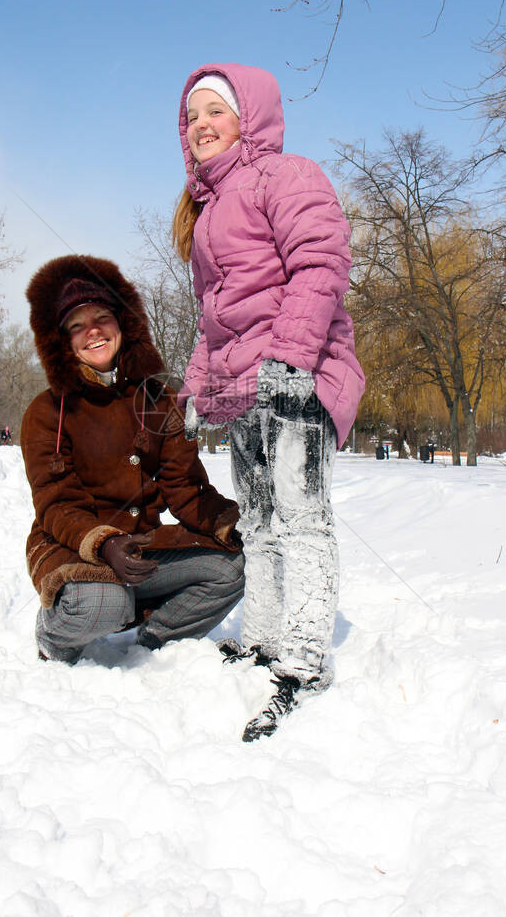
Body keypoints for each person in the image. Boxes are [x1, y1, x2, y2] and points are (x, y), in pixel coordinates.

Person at [173, 64, 365, 740]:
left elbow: (321, 262)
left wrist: (290, 358)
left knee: (299, 515)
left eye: (214, 112)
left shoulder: (287, 175)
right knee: (258, 519)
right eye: (191, 115)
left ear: (247, 118)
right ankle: (262, 638)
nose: (201, 125)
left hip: (299, 377)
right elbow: (213, 315)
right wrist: (199, 390)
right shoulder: (205, 213)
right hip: (244, 390)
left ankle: (304, 660)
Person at [20, 254, 245, 666]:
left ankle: (152, 645)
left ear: (122, 324)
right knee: (104, 601)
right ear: (63, 341)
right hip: (74, 547)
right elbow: (56, 503)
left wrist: (226, 521)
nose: (92, 331)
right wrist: (105, 544)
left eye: (102, 317)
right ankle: (55, 638)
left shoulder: (157, 400)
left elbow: (184, 487)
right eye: (76, 325)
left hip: (141, 550)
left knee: (230, 569)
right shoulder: (46, 412)